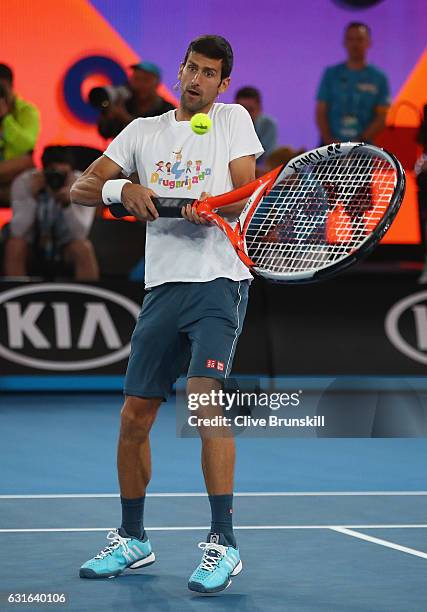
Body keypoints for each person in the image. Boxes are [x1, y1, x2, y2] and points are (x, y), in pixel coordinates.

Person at [71, 34, 263, 593]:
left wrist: (209, 206)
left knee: (204, 401)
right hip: (163, 286)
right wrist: (123, 189)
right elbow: (85, 187)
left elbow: (246, 189)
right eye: (191, 69)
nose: (197, 79)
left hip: (218, 283)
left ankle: (223, 545)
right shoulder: (142, 131)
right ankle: (134, 539)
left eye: (209, 73)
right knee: (135, 415)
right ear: (179, 72)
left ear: (222, 83)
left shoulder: (232, 119)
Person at [3, 145, 98, 280]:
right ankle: (18, 295)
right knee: (14, 245)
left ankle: (89, 297)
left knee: (83, 248)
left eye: (62, 174)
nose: (56, 178)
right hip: (32, 246)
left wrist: (67, 205)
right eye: (52, 173)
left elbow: (81, 234)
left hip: (66, 247)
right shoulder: (25, 182)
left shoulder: (82, 185)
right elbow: (18, 231)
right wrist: (32, 198)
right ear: (42, 171)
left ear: (71, 171)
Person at [315, 22, 390, 145]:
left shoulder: (379, 78)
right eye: (350, 39)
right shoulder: (331, 74)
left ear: (369, 43)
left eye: (360, 39)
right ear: (344, 42)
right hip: (330, 147)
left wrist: (359, 141)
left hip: (363, 147)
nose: (355, 44)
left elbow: (382, 117)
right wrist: (329, 139)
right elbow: (320, 111)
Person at [97, 61, 176, 139]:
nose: (140, 84)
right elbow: (105, 133)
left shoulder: (167, 110)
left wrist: (125, 118)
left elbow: (159, 138)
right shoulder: (125, 103)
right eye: (136, 79)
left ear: (156, 83)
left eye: (145, 80)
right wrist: (108, 116)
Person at [0, 63, 40, 205]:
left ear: (11, 87)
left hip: (15, 175)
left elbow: (26, 145)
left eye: (1, 90)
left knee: (25, 161)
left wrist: (5, 118)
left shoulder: (27, 111)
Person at [235, 86, 277, 165]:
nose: (246, 115)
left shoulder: (269, 125)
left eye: (250, 110)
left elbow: (266, 156)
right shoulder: (227, 125)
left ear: (260, 108)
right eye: (242, 110)